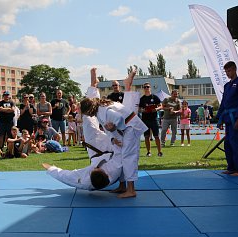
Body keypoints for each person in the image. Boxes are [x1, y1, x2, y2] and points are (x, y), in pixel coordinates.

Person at [80, 69, 147, 198]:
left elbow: (119, 120)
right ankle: (122, 186)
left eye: (86, 113)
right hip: (125, 130)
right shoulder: (98, 108)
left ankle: (131, 190)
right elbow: (110, 127)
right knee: (119, 154)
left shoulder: (105, 111)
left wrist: (114, 131)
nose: (88, 116)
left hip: (130, 129)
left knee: (128, 157)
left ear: (90, 110)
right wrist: (114, 137)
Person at [42, 141, 123, 190]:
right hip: (107, 154)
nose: (95, 168)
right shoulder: (116, 169)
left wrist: (51, 169)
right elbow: (123, 155)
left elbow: (65, 176)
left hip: (99, 156)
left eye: (94, 169)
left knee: (69, 177)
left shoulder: (84, 181)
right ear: (107, 175)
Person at [216, 61, 238, 176]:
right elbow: (223, 103)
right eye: (226, 71)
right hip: (227, 118)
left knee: (237, 144)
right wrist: (219, 118)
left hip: (236, 118)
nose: (227, 73)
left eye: (229, 70)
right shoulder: (227, 85)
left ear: (235, 69)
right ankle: (231, 167)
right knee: (228, 144)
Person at [139, 82, 163, 157]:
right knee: (146, 136)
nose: (146, 88)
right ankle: (148, 152)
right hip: (145, 119)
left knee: (156, 136)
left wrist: (156, 109)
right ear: (143, 89)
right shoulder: (142, 99)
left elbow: (161, 106)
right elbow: (139, 109)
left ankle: (159, 152)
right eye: (145, 87)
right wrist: (142, 110)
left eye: (148, 87)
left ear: (150, 88)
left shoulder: (154, 97)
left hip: (154, 119)